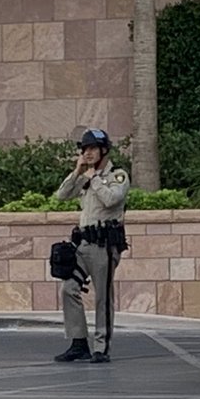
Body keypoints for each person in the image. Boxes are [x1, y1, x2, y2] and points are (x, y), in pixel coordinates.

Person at [53, 128, 130, 363]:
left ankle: (101, 347)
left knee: (102, 298)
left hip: (104, 246)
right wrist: (77, 171)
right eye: (85, 149)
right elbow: (62, 195)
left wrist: (93, 178)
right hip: (84, 245)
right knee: (68, 288)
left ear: (104, 150)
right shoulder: (85, 177)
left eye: (92, 149)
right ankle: (78, 343)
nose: (88, 153)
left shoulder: (117, 175)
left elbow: (111, 200)